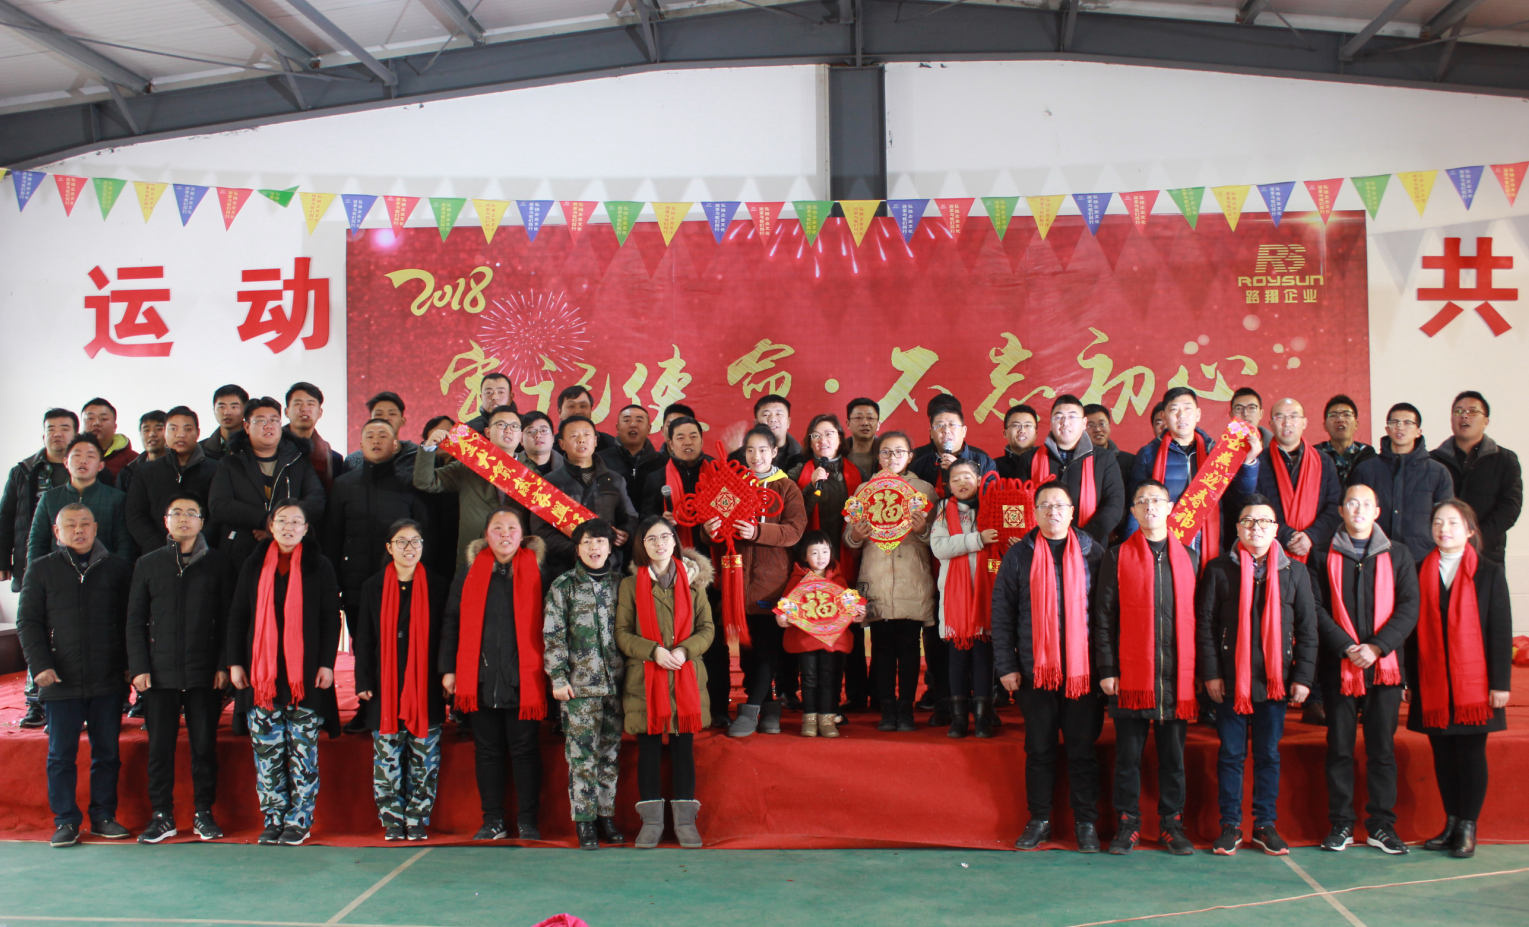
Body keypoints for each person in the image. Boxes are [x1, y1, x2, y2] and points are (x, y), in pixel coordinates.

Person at [1197, 494, 1317, 857]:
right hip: (1231, 680)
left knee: (1268, 755)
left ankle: (1265, 825)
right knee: (1231, 754)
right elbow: (1205, 627)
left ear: (1276, 529)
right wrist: (1211, 674)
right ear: (1237, 528)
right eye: (1248, 521)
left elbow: (1307, 630)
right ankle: (1230, 826)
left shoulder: (1295, 572)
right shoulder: (1219, 570)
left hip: (1275, 681)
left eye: (1264, 521)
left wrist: (1303, 677)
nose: (1256, 528)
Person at [993, 483, 1106, 852]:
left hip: (1083, 674)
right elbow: (1002, 614)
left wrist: (1106, 668)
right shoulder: (1019, 556)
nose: (1052, 512)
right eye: (1044, 505)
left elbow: (1107, 615)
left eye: (1060, 505)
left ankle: (1086, 822)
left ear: (1072, 512)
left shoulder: (1093, 553)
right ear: (1035, 512)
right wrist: (1007, 665)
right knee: (1039, 749)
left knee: (1082, 750)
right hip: (1034, 672)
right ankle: (1039, 819)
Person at [16, 503, 135, 847]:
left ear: (96, 528)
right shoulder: (41, 569)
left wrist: (130, 664)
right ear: (57, 532)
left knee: (107, 753)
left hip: (107, 678)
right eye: (70, 525)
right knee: (61, 755)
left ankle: (103, 816)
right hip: (60, 679)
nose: (79, 530)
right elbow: (28, 622)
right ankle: (66, 820)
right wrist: (40, 665)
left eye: (85, 523)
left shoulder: (118, 569)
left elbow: (131, 621)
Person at [1093, 479, 1199, 856]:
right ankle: (1128, 824)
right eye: (1142, 501)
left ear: (1170, 508)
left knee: (1173, 759)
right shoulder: (1116, 556)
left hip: (1175, 677)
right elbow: (1103, 617)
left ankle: (1172, 825)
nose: (1150, 506)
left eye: (1157, 500)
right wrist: (1107, 668)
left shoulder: (1190, 557)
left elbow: (1199, 619)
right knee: (1128, 758)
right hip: (1130, 675)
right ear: (1134, 512)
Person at [226, 501, 341, 845]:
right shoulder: (254, 563)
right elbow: (238, 614)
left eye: (296, 522)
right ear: (271, 526)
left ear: (306, 529)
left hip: (305, 674)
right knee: (268, 754)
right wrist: (235, 662)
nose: (289, 527)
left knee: (303, 754)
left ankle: (299, 820)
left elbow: (330, 617)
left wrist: (327, 663)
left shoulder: (319, 564)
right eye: (282, 521)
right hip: (261, 675)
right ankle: (274, 818)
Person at [1314, 484, 1419, 855]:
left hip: (1384, 668)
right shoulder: (1321, 554)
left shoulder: (1399, 554)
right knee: (1339, 748)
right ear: (1341, 510)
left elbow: (1409, 607)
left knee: (1382, 749)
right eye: (1351, 503)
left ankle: (1381, 825)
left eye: (1366, 504)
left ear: (1377, 511)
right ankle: (1341, 824)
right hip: (1338, 666)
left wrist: (1376, 647)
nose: (1358, 509)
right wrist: (1347, 647)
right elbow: (1315, 608)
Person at [1405, 499, 1513, 860]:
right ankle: (1451, 823)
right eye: (1438, 522)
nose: (1444, 529)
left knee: (1469, 754)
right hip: (1432, 682)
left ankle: (1468, 826)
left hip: (1475, 686)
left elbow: (1500, 631)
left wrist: (1501, 684)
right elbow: (1411, 633)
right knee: (1443, 756)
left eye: (1452, 522)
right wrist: (1408, 680)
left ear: (1469, 530)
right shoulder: (1418, 570)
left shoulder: (1489, 572)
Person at [126, 492, 235, 844]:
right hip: (159, 674)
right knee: (160, 748)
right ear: (166, 522)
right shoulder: (148, 563)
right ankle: (162, 815)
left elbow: (230, 620)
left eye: (192, 513)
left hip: (204, 673)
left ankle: (204, 812)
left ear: (202, 522)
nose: (184, 518)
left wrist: (223, 664)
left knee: (203, 746)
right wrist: (138, 666)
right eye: (177, 513)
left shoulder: (218, 564)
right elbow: (135, 621)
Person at [440, 509, 549, 841]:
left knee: (525, 751)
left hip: (523, 679)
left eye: (512, 528)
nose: (505, 533)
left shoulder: (539, 571)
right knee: (486, 752)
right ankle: (493, 821)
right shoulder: (469, 571)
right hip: (480, 677)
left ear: (522, 535)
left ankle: (528, 821)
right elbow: (452, 619)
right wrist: (448, 669)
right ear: (485, 535)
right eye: (497, 528)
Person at [616, 515, 715, 849]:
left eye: (665, 537)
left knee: (682, 749)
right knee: (648, 750)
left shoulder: (694, 582)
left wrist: (685, 651)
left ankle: (685, 822)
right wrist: (653, 651)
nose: (659, 544)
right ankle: (652, 823)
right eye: (651, 539)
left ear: (675, 541)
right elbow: (622, 633)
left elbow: (707, 629)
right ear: (642, 546)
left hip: (685, 677)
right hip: (645, 678)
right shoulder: (630, 585)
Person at [327, 418, 428, 734]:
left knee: (402, 645)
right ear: (359, 445)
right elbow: (333, 537)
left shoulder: (409, 485)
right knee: (363, 645)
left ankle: (403, 705)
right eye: (369, 435)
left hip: (401, 582)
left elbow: (424, 535)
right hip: (357, 584)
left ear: (395, 444)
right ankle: (368, 708)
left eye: (383, 435)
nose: (375, 440)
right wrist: (334, 585)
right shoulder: (344, 485)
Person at [354, 519, 447, 841]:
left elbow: (446, 635)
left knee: (425, 757)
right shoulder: (373, 586)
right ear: (389, 547)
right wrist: (363, 679)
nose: (410, 548)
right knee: (387, 756)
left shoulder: (437, 585)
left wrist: (446, 674)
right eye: (402, 542)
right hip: (385, 682)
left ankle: (417, 816)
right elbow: (364, 637)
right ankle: (392, 818)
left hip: (425, 684)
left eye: (416, 541)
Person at [638, 416, 730, 723]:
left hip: (711, 571)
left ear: (702, 440)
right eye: (680, 437)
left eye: (693, 436)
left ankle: (718, 709)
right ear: (669, 443)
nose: (687, 442)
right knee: (674, 641)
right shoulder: (655, 477)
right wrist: (660, 522)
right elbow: (643, 521)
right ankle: (678, 709)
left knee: (712, 640)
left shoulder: (718, 471)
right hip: (670, 571)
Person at [543, 519, 626, 849]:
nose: (594, 548)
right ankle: (585, 821)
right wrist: (558, 677)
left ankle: (607, 816)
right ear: (577, 549)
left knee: (610, 755)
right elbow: (553, 634)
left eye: (600, 541)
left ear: (610, 546)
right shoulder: (563, 586)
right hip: (579, 689)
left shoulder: (622, 584)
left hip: (616, 686)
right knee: (582, 757)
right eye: (587, 542)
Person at [721, 424, 807, 737]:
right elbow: (718, 528)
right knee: (748, 652)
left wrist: (758, 532)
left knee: (768, 650)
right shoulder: (733, 485)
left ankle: (750, 710)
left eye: (762, 450)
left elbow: (795, 530)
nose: (756, 456)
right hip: (738, 582)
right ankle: (770, 711)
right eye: (750, 450)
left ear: (774, 452)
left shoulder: (787, 487)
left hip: (772, 582)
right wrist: (710, 529)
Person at [847, 431, 936, 733]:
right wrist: (855, 536)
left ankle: (906, 709)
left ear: (910, 456)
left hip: (913, 579)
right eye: (886, 452)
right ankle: (887, 708)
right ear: (878, 456)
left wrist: (923, 531)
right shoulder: (864, 490)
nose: (892, 457)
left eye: (899, 452)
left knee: (910, 649)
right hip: (876, 577)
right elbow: (849, 538)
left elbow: (938, 538)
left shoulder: (924, 490)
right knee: (882, 649)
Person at [1, 408, 77, 729]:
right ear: (43, 434)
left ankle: (69, 699)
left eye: (64, 428)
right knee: (34, 630)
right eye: (51, 428)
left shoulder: (83, 468)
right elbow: (6, 515)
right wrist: (3, 558)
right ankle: (35, 702)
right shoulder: (24, 471)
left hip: (73, 566)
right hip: (33, 563)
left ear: (75, 433)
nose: (57, 433)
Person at [1126, 386, 1262, 560]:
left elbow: (1239, 498)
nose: (1181, 415)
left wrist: (1249, 463)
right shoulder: (1148, 455)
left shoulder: (1217, 453)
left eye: (1187, 408)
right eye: (1174, 409)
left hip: (1207, 544)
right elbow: (1136, 506)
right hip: (1163, 546)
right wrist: (1133, 552)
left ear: (1198, 414)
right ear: (1164, 416)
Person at [788, 413, 864, 714]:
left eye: (829, 433)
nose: (823, 440)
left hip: (845, 559)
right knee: (810, 630)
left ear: (840, 438)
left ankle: (852, 696)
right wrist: (810, 487)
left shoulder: (855, 472)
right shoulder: (798, 471)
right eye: (816, 435)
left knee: (847, 629)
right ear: (809, 441)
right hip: (812, 563)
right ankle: (811, 704)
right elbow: (795, 517)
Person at [208, 397, 325, 574]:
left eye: (274, 420)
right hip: (240, 554)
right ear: (247, 426)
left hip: (290, 551)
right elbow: (219, 505)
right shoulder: (231, 464)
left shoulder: (297, 461)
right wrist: (265, 520)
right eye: (260, 421)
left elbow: (316, 500)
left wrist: (279, 525)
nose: (268, 425)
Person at [930, 460, 1002, 738]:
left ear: (980, 480)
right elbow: (939, 547)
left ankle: (983, 717)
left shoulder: (993, 507)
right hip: (955, 598)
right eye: (955, 478)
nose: (962, 482)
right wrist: (978, 539)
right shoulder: (943, 510)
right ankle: (959, 718)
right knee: (958, 659)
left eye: (967, 477)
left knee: (984, 657)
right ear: (948, 485)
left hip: (987, 594)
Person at [776, 531, 863, 737]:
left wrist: (858, 614)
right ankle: (809, 719)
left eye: (825, 551)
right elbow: (786, 606)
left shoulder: (839, 580)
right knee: (808, 678)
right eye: (814, 552)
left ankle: (827, 718)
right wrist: (782, 618)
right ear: (805, 556)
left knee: (828, 678)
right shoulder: (797, 580)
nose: (821, 557)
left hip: (831, 640)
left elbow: (850, 609)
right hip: (806, 640)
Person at [415, 406, 527, 566]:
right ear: (487, 432)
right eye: (501, 424)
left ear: (521, 435)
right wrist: (429, 447)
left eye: (514, 426)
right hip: (474, 556)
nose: (508, 430)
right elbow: (425, 482)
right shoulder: (467, 466)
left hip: (517, 557)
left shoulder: (531, 472)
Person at [1016, 395, 1126, 547]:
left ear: (1084, 423)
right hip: (1039, 546)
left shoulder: (1104, 458)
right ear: (1051, 423)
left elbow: (1114, 504)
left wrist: (1083, 539)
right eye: (1058, 417)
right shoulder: (1030, 458)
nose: (1065, 422)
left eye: (1072, 416)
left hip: (1090, 547)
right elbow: (1021, 503)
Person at [1351, 402, 1454, 563]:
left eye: (1408, 423)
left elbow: (1446, 519)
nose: (1400, 427)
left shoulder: (1438, 472)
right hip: (1374, 557)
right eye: (1395, 422)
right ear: (1387, 429)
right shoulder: (1366, 470)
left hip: (1422, 559)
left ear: (1418, 432)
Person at [537, 416, 637, 580]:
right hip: (565, 572)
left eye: (586, 434)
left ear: (595, 440)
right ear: (562, 444)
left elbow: (630, 517)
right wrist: (578, 549)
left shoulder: (614, 480)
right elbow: (542, 529)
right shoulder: (550, 483)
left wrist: (626, 533)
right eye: (574, 435)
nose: (581, 440)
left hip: (610, 570)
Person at [1431, 391, 1522, 564]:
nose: (1464, 416)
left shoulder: (1505, 459)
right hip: (1441, 552)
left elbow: (1510, 507)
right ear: (1451, 419)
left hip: (1488, 553)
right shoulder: (1433, 461)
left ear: (1486, 421)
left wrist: (1476, 539)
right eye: (1458, 411)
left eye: (1472, 411)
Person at [1256, 398, 1344, 565]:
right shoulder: (1259, 462)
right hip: (1271, 551)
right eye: (1280, 417)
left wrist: (1311, 536)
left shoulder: (1323, 461)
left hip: (1316, 552)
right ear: (1271, 424)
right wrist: (1287, 536)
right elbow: (1255, 507)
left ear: (1304, 423)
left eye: (1293, 416)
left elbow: (1334, 507)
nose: (1287, 423)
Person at [126, 406, 219, 554]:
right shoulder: (145, 471)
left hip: (203, 553)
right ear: (165, 432)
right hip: (156, 555)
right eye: (173, 429)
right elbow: (135, 516)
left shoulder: (216, 469)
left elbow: (217, 515)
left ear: (198, 433)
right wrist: (163, 549)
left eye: (187, 429)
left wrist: (196, 546)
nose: (180, 434)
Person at [28, 435, 131, 565]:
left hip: (104, 571)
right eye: (77, 455)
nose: (83, 461)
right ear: (66, 462)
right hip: (58, 572)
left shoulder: (117, 498)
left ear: (100, 466)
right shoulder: (49, 498)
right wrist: (35, 574)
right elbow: (37, 543)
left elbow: (124, 545)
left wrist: (117, 573)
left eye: (90, 456)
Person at [600, 404, 663, 512]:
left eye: (639, 420)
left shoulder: (663, 463)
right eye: (627, 420)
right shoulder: (600, 460)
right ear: (617, 428)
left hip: (652, 521)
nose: (633, 425)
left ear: (649, 429)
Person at [284, 382, 344, 492]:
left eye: (310, 404)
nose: (304, 408)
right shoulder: (269, 449)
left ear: (320, 412)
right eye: (298, 403)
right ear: (286, 412)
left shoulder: (333, 460)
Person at [726, 394, 806, 471]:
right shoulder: (740, 456)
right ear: (756, 424)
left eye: (779, 414)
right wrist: (737, 455)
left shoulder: (802, 457)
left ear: (788, 422)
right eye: (766, 415)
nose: (773, 419)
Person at [343, 392, 418, 472]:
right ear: (370, 421)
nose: (385, 418)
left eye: (392, 414)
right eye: (379, 414)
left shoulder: (418, 456)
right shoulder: (353, 461)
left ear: (402, 421)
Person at [1315, 395, 1376, 487]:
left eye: (1347, 415)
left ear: (1356, 424)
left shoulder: (1368, 457)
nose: (1340, 419)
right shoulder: (1314, 455)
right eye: (1333, 415)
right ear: (1325, 425)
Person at [82, 398, 138, 487]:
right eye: (90, 418)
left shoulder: (132, 459)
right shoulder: (70, 457)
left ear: (115, 426)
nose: (96, 423)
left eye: (103, 419)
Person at [1083, 403, 1135, 495]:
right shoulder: (1076, 461)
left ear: (1109, 427)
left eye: (1102, 424)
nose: (1097, 429)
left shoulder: (1130, 461)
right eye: (1090, 425)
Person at [116, 410, 166, 497]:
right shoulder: (129, 472)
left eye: (158, 429)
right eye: (146, 430)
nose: (152, 434)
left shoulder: (180, 467)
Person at [555, 385, 617, 452]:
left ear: (591, 410)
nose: (577, 411)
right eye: (571, 406)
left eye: (583, 406)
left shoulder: (609, 443)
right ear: (560, 412)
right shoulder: (550, 445)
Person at [200, 385, 247, 462]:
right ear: (214, 409)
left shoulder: (258, 446)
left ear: (245, 410)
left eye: (234, 407)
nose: (227, 412)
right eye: (222, 407)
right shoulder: (199, 450)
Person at [994, 405, 1042, 480]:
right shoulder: (994, 466)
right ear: (1005, 433)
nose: (1022, 431)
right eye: (1016, 425)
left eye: (1028, 425)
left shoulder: (1046, 463)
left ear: (1036, 434)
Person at [518, 411, 565, 476]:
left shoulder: (567, 468)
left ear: (553, 438)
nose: (538, 435)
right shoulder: (511, 467)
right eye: (531, 431)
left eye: (543, 430)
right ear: (521, 440)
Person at [845, 397, 881, 477]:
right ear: (848, 424)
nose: (865, 423)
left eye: (870, 418)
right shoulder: (838, 452)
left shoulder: (887, 452)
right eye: (858, 418)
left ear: (878, 425)